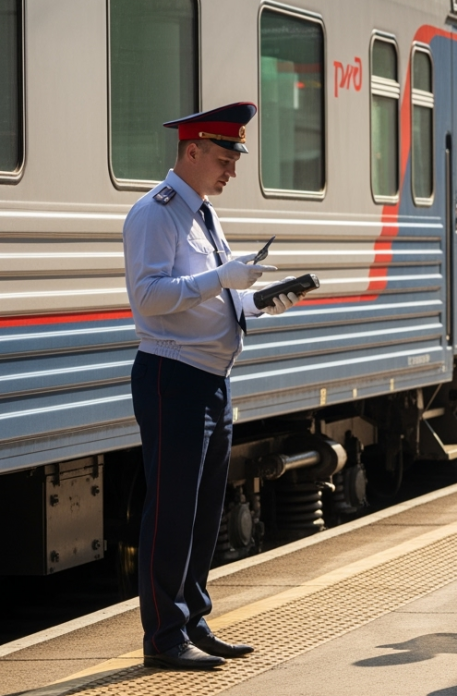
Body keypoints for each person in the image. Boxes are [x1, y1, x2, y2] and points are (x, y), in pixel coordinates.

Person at [122, 102, 302, 670]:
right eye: (224, 159)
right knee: (171, 510)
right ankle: (163, 638)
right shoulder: (157, 212)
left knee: (203, 511)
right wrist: (224, 276)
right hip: (172, 376)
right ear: (191, 151)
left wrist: (257, 301)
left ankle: (193, 619)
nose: (231, 170)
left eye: (234, 160)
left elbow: (213, 297)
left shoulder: (202, 214)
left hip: (211, 380)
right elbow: (150, 298)